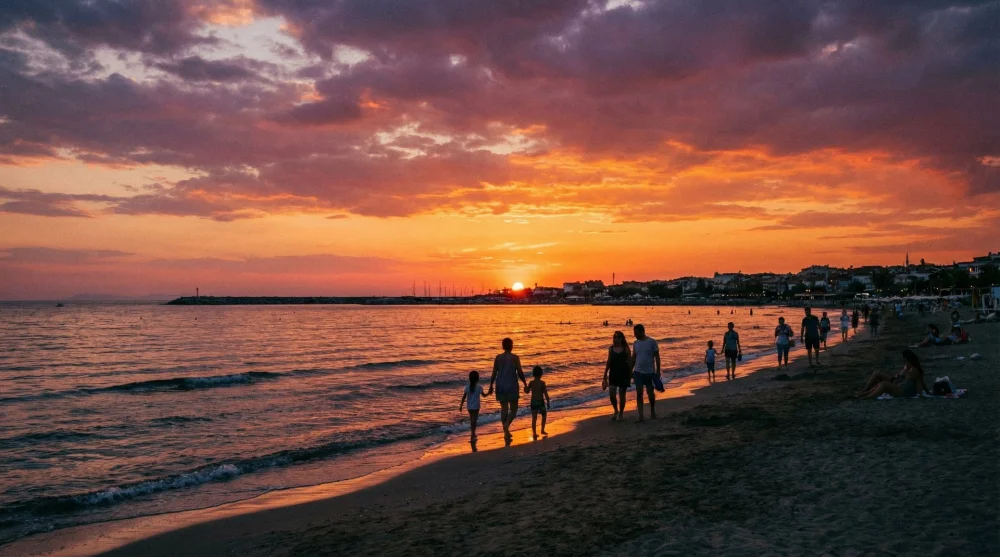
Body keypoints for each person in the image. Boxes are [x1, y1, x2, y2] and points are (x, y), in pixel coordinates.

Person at [486, 337, 528, 446]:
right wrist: (525, 383)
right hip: (512, 386)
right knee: (513, 409)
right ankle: (506, 427)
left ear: (503, 346)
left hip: (500, 386)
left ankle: (506, 431)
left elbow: (494, 373)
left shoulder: (498, 358)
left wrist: (490, 385)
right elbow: (520, 372)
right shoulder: (515, 358)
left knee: (504, 410)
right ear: (511, 346)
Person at [858, 349, 929, 398]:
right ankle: (864, 393)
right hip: (899, 384)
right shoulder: (909, 367)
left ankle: (868, 397)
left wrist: (921, 394)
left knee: (884, 384)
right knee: (878, 376)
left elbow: (919, 382)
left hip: (904, 391)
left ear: (906, 359)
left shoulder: (913, 370)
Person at [630, 324, 660, 422]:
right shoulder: (635, 343)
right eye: (634, 333)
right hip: (638, 372)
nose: (635, 335)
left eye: (636, 333)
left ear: (642, 331)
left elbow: (657, 357)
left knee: (650, 393)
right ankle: (641, 416)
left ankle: (652, 411)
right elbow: (634, 358)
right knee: (639, 393)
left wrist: (658, 371)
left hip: (649, 372)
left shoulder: (652, 342)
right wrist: (630, 370)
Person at [602, 331, 631, 421]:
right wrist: (604, 375)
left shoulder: (626, 349)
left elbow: (630, 362)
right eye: (615, 337)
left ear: (622, 338)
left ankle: (621, 413)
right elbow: (608, 362)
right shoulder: (611, 349)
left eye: (618, 337)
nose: (616, 339)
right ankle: (616, 410)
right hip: (613, 374)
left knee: (622, 396)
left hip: (624, 374)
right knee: (612, 395)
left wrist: (631, 374)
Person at [459, 371, 487, 450]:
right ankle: (473, 434)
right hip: (476, 406)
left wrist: (461, 405)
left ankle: (473, 433)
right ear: (477, 379)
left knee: (472, 419)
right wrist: (489, 393)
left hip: (469, 407)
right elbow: (484, 395)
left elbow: (464, 397)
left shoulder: (467, 387)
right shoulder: (479, 387)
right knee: (474, 420)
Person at [525, 366, 550, 439]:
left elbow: (527, 391)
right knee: (544, 415)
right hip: (540, 401)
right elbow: (545, 393)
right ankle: (542, 430)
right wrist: (548, 402)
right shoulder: (542, 383)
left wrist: (525, 388)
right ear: (541, 374)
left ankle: (534, 433)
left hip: (533, 402)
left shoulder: (531, 383)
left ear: (533, 374)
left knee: (534, 418)